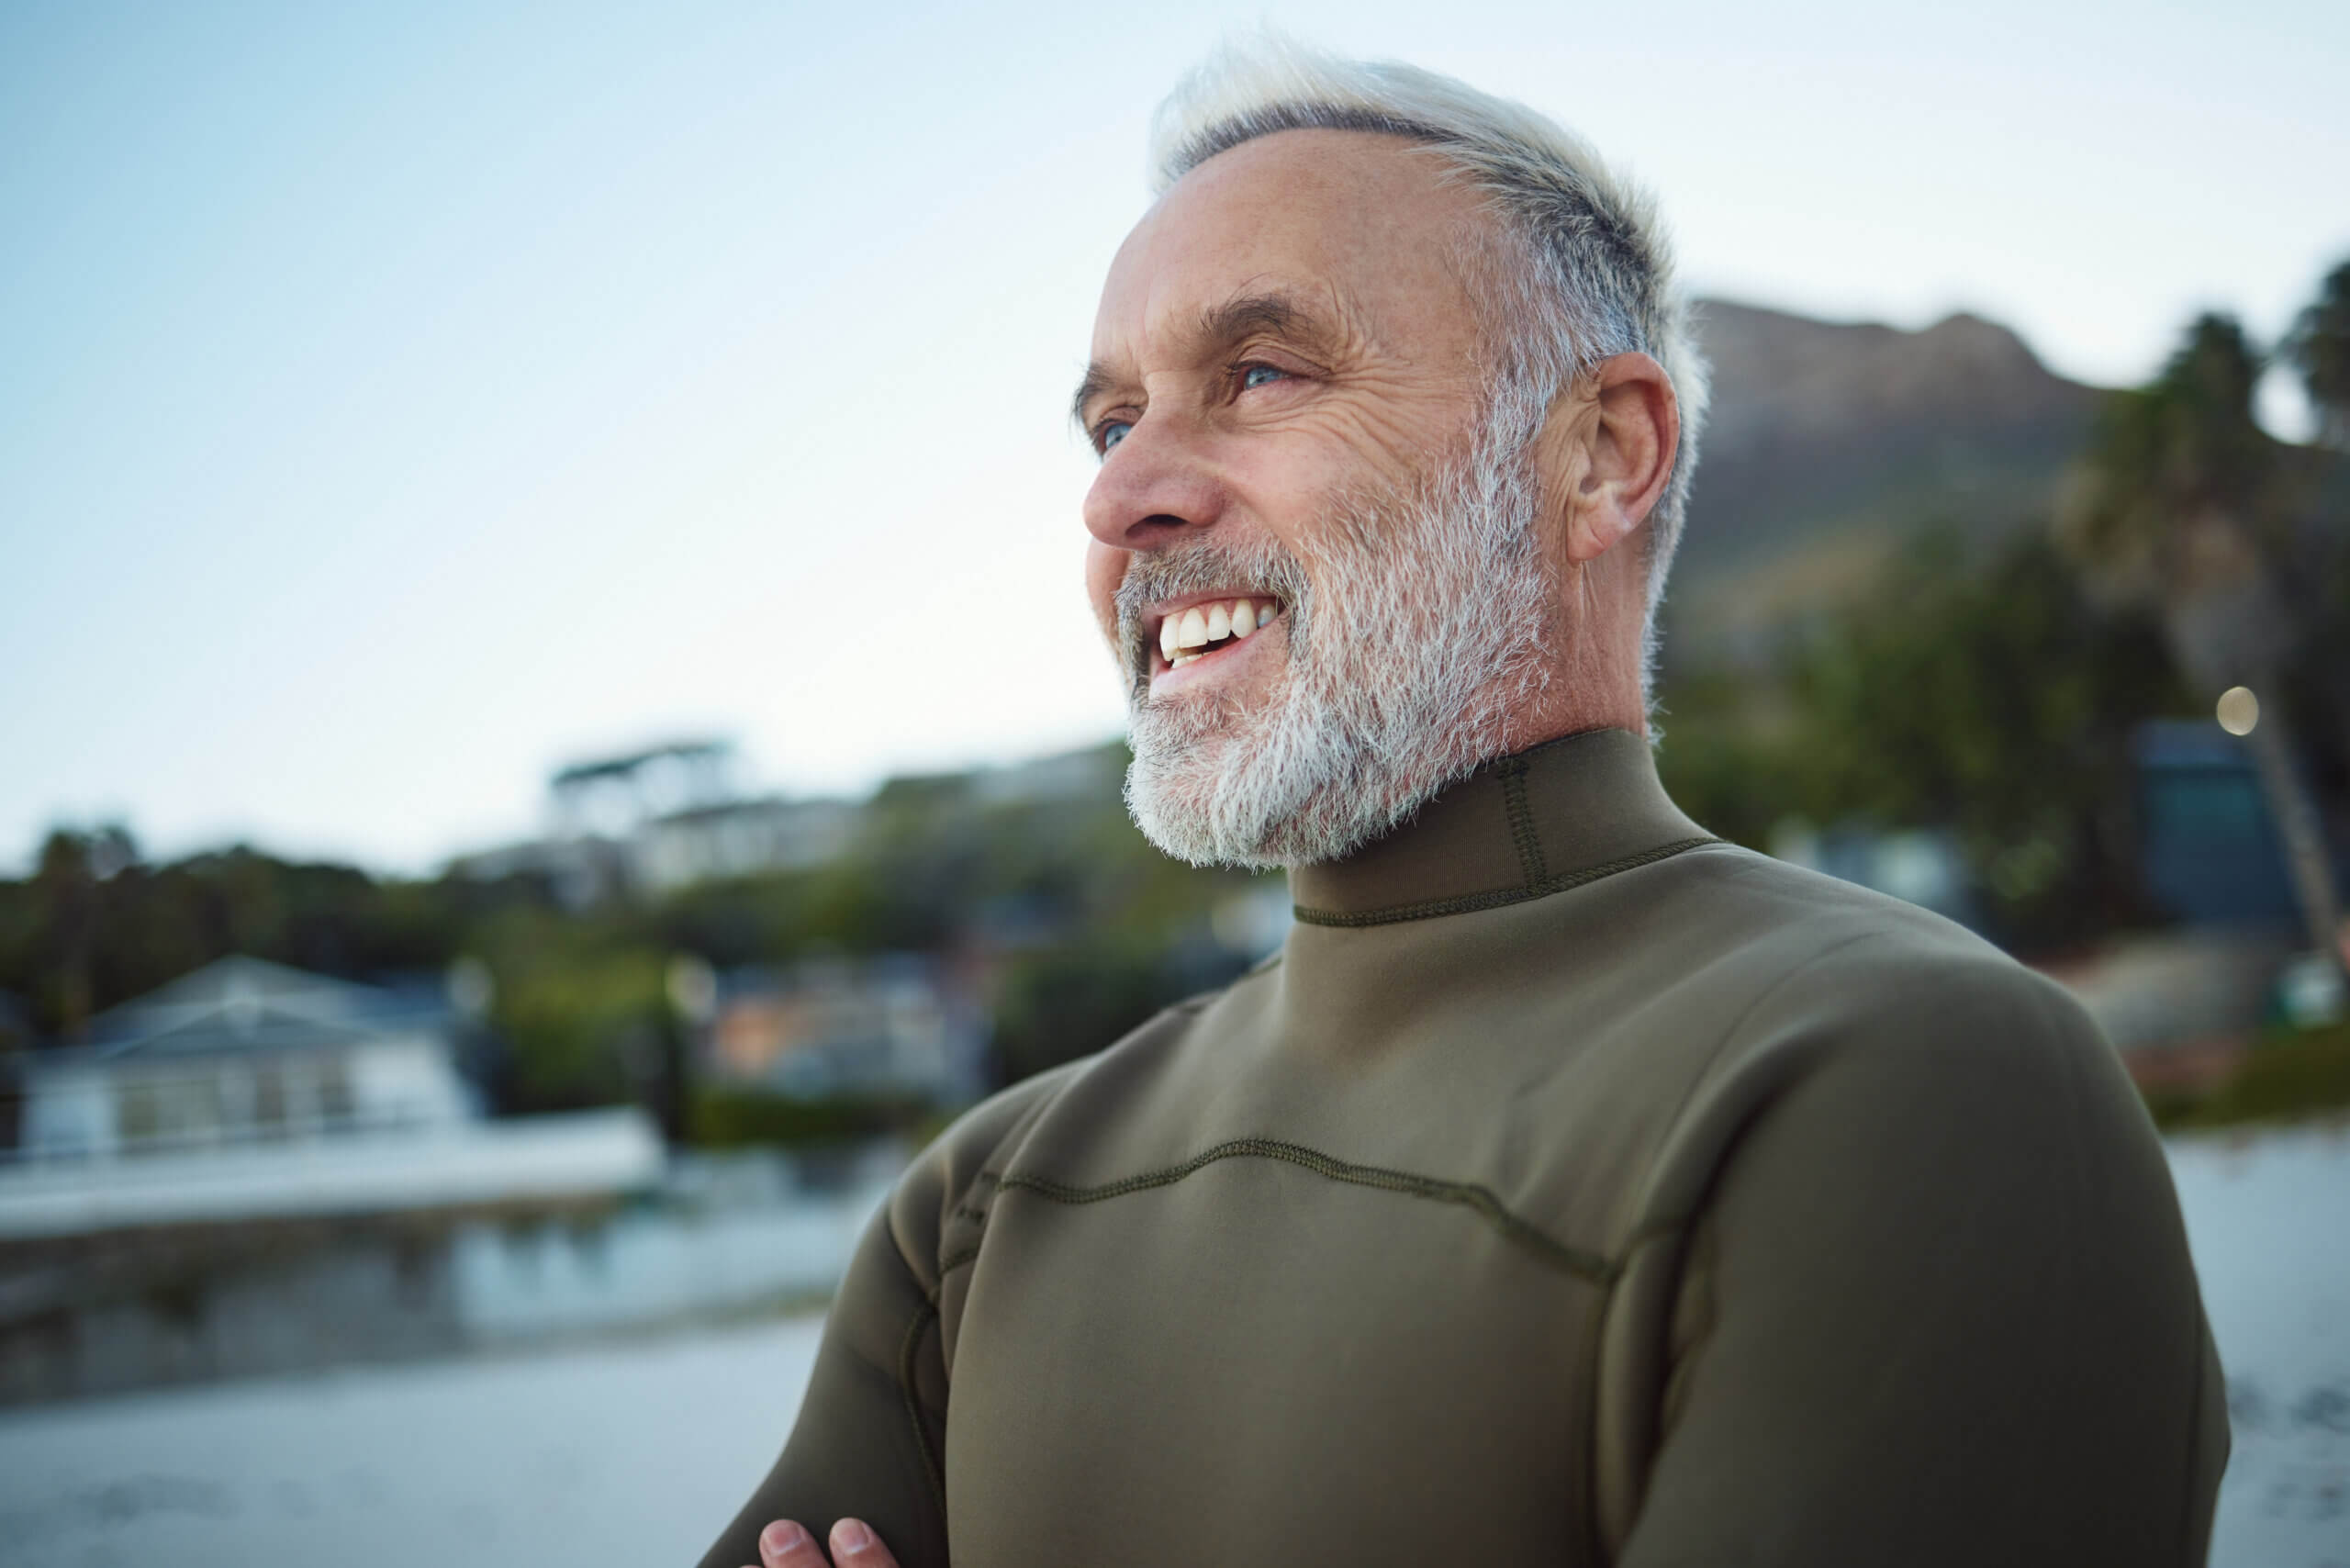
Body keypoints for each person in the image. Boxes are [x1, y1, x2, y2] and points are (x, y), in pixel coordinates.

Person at [702, 36, 2227, 1568]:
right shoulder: (974, 1216)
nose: (1120, 498)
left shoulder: (1907, 1086)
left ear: (1599, 457)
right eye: (1112, 424)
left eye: (1261, 373)